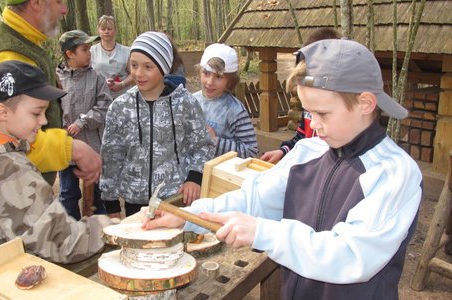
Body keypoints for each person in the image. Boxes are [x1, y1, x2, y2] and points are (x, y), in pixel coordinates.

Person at [144, 39, 422, 299]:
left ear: (364, 104)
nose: (312, 125)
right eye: (308, 112)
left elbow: (351, 254)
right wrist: (186, 216)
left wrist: (264, 232)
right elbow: (253, 200)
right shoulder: (307, 152)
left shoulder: (393, 173)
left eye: (322, 113)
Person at [0, 60, 113, 263]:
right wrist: (111, 227)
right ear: (2, 112)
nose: (44, 121)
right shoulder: (8, 170)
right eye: (36, 113)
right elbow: (62, 243)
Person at [0, 0, 101, 185]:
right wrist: (71, 149)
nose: (64, 10)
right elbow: (5, 139)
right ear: (37, 2)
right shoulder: (8, 56)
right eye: (59, 2)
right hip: (11, 189)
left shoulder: (23, 41)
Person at [100, 31, 215, 218]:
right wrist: (111, 205)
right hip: (134, 202)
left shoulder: (185, 103)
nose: (138, 73)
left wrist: (195, 178)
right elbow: (111, 157)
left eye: (148, 67)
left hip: (175, 197)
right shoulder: (120, 108)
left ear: (164, 67)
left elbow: (203, 145)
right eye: (134, 65)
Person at [261, 28, 342, 163]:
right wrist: (283, 151)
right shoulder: (310, 108)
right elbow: (301, 137)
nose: (313, 124)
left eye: (321, 113)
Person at [56, 29, 112, 219]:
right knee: (68, 193)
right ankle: (71, 232)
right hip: (64, 149)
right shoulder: (56, 79)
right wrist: (60, 128)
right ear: (69, 53)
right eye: (84, 49)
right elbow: (49, 110)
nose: (89, 53)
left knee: (98, 193)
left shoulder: (96, 78)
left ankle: (100, 230)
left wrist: (82, 122)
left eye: (89, 49)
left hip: (92, 147)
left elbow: (104, 107)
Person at [193, 43, 258, 159]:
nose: (210, 82)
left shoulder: (235, 111)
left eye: (218, 77)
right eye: (206, 73)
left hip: (222, 174)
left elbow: (251, 151)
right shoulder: (191, 101)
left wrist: (215, 141)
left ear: (230, 81)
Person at [90, 15, 133, 99]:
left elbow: (134, 74)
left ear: (115, 30)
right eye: (103, 29)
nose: (106, 32)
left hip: (123, 97)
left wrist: (121, 84)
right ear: (98, 30)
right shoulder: (91, 51)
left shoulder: (126, 51)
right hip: (100, 98)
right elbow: (87, 75)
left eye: (109, 29)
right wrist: (101, 83)